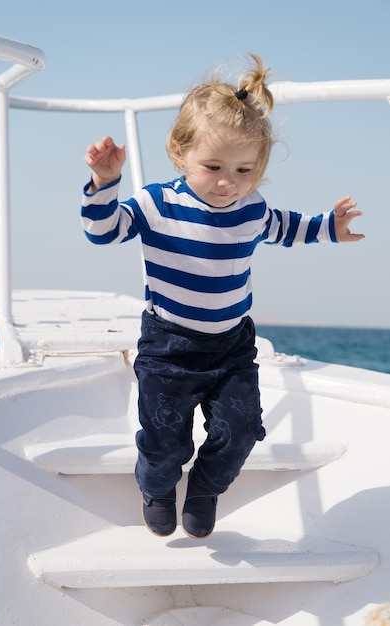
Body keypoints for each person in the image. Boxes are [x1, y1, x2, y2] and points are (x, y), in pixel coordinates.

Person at [81, 54, 365, 540]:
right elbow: (103, 232)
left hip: (231, 347)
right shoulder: (157, 203)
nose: (227, 181)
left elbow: (287, 227)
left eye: (243, 169)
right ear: (179, 151)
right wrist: (105, 185)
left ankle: (207, 488)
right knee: (164, 440)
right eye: (213, 166)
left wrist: (330, 228)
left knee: (240, 428)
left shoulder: (251, 209)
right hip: (169, 347)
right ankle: (156, 488)